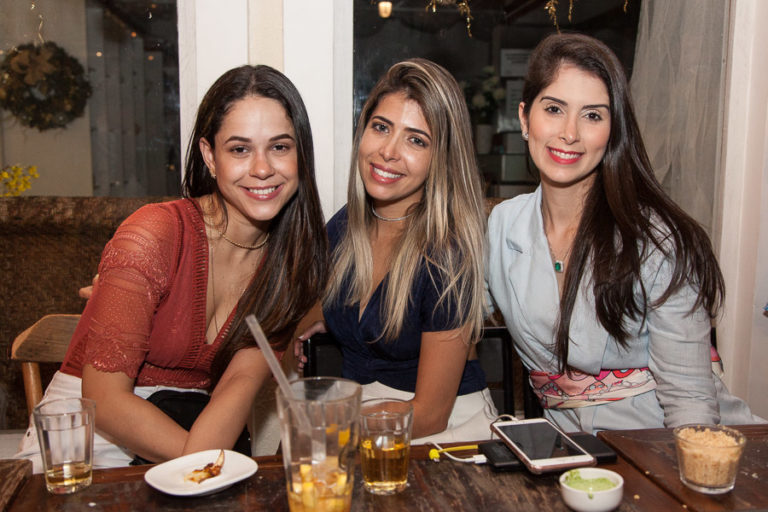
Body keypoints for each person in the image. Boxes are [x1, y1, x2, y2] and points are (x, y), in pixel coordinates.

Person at [16, 65, 328, 471]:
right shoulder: (155, 233)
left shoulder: (289, 267)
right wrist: (204, 468)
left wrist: (202, 469)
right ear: (209, 156)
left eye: (280, 147)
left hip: (189, 432)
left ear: (300, 153)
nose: (263, 168)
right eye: (239, 149)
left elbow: (238, 384)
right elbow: (105, 403)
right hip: (87, 438)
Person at [486, 33, 764, 434]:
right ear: (525, 118)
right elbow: (449, 311)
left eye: (593, 115)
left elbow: (691, 407)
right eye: (554, 109)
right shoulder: (503, 225)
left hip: (662, 444)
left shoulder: (655, 239)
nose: (570, 133)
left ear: (613, 131)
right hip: (574, 453)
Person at [297, 58, 497, 443]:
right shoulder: (346, 227)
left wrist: (326, 426)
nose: (388, 151)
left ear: (441, 157)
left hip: (442, 431)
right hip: (370, 417)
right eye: (381, 127)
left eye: (416, 140)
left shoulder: (446, 254)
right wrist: (306, 321)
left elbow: (430, 415)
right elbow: (353, 302)